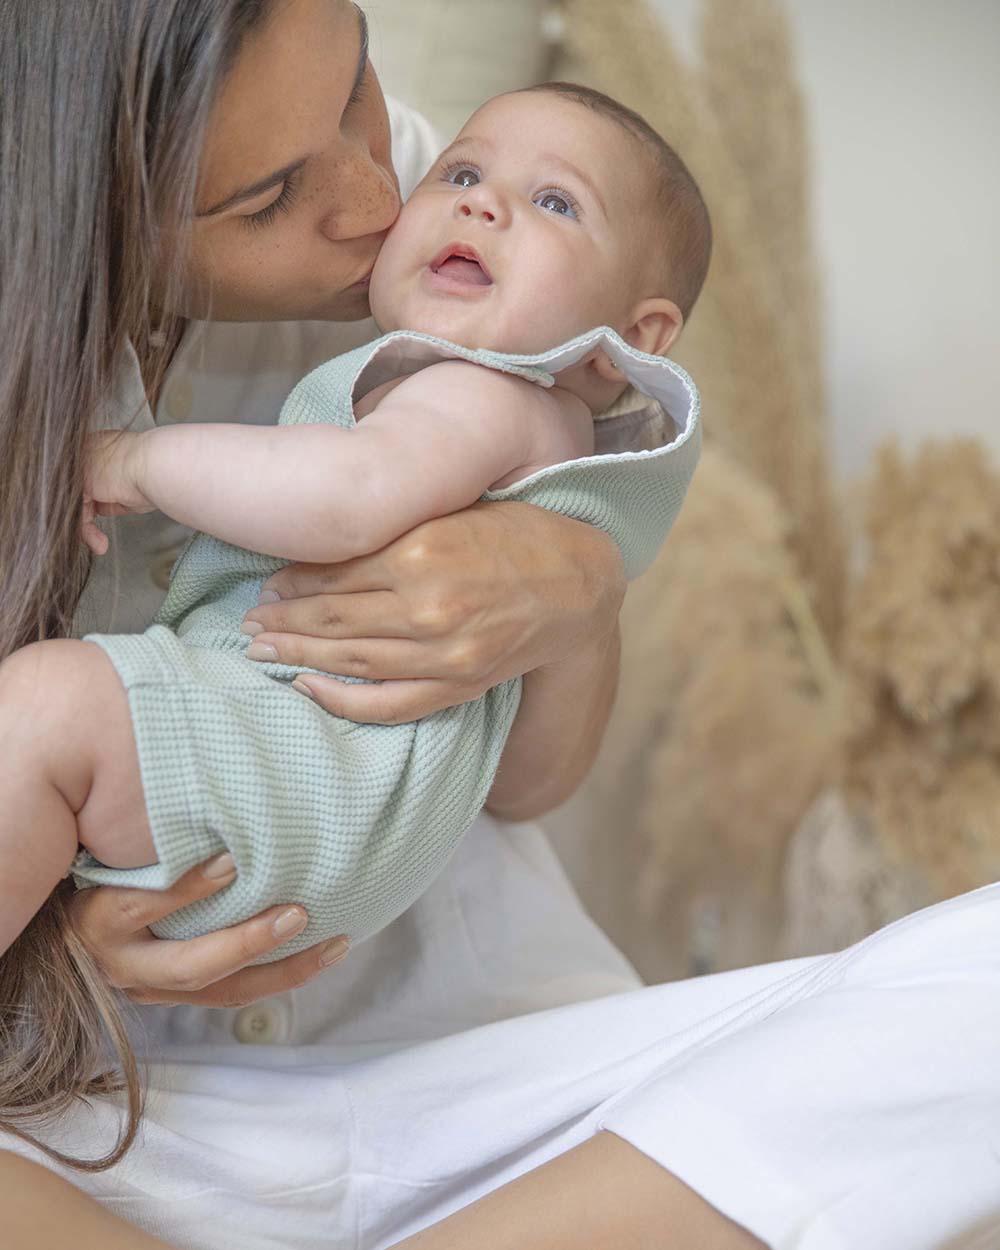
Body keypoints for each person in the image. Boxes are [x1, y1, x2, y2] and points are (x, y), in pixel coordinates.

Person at [3, 4, 999, 1249]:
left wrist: (577, 594)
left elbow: (521, 781)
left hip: (480, 1075)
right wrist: (49, 953)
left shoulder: (484, 243)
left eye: (359, 83)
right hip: (119, 1111)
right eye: (268, 199)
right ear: (76, 215)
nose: (386, 190)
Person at [0, 81, 705, 1137]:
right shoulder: (484, 386)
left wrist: (132, 459)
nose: (473, 201)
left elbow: (341, 497)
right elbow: (522, 779)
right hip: (307, 838)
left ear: (626, 341)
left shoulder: (482, 389)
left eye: (554, 204)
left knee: (47, 708)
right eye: (461, 175)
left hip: (309, 795)